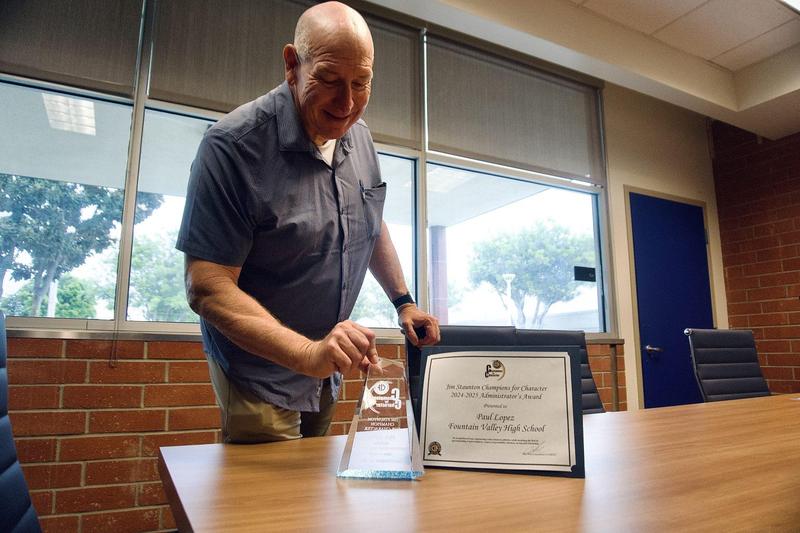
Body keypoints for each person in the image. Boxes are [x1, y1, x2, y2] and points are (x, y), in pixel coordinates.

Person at [176, 1, 440, 444]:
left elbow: (368, 221)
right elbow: (206, 286)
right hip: (259, 371)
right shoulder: (232, 146)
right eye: (331, 81)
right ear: (292, 65)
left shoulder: (358, 136)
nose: (348, 103)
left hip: (326, 364)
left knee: (316, 495)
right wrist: (307, 353)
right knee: (269, 506)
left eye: (362, 83)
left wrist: (404, 302)